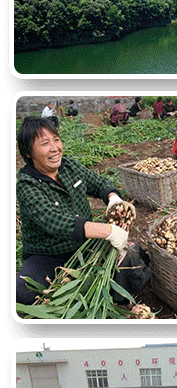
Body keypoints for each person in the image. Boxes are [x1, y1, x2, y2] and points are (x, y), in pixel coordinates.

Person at [16, 116, 131, 305]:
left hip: (86, 246)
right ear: (28, 152)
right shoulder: (26, 185)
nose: (55, 148)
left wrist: (113, 197)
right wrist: (108, 231)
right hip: (48, 255)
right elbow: (56, 221)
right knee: (24, 291)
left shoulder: (69, 166)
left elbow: (99, 182)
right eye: (45, 143)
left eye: (56, 139)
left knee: (135, 260)